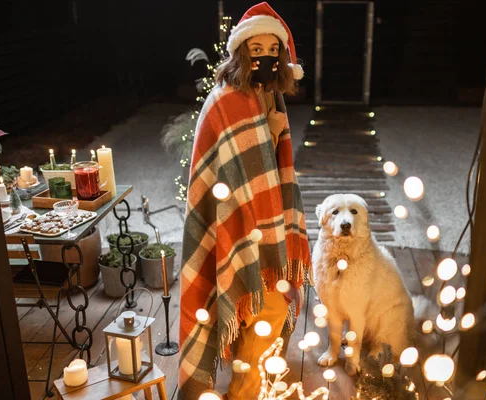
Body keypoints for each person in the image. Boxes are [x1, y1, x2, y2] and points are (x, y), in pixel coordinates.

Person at [178, 2, 311, 400]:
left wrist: (272, 132)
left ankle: (250, 385)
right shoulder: (227, 102)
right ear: (242, 53)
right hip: (241, 227)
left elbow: (269, 174)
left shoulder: (267, 96)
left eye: (274, 50)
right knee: (266, 311)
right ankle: (245, 393)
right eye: (258, 50)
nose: (266, 57)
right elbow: (233, 178)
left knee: (262, 312)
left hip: (262, 225)